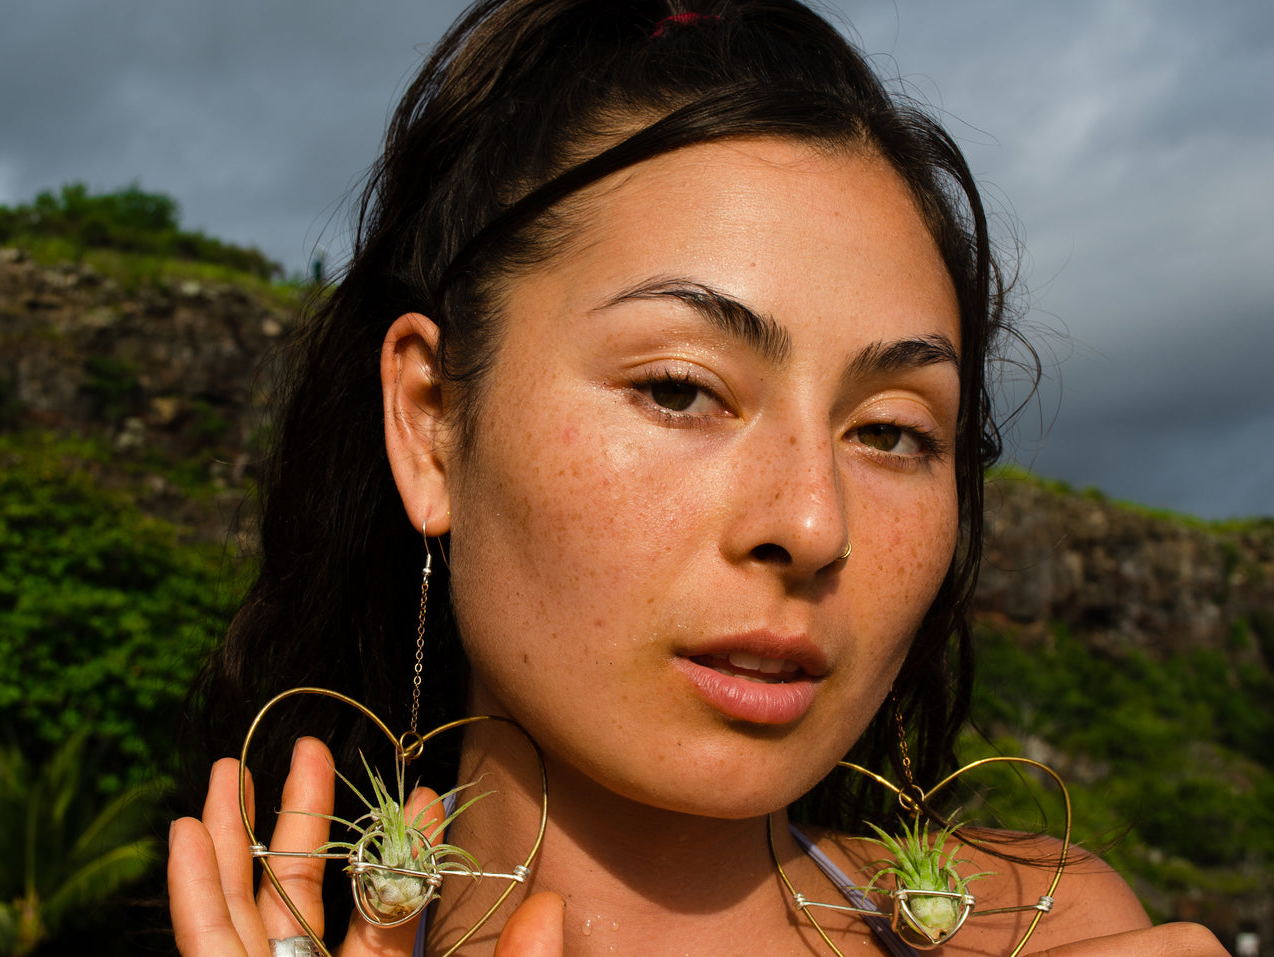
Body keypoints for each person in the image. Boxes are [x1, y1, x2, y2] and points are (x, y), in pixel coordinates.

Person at [167, 2, 1228, 955]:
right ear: (431, 423)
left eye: (894, 432)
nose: (812, 524)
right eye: (679, 390)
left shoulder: (1052, 931)